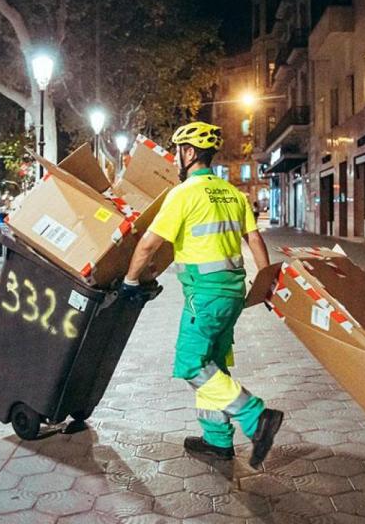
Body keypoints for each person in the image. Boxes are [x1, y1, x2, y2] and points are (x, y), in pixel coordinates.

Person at [121, 121, 283, 468]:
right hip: (233, 295)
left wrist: (130, 281)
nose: (177, 158)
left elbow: (149, 244)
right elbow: (255, 239)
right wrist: (267, 284)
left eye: (178, 151)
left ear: (189, 152)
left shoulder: (183, 194)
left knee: (192, 363)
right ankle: (217, 440)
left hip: (205, 297)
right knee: (214, 365)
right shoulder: (233, 194)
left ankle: (255, 416)